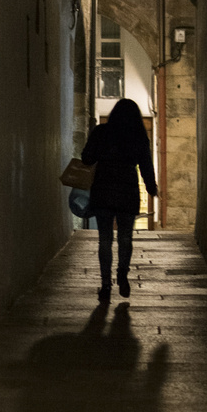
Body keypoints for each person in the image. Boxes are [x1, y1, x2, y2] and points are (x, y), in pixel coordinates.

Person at [81, 98, 158, 302]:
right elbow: (146, 165)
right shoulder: (138, 136)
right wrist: (151, 187)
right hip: (127, 191)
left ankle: (106, 284)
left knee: (105, 239)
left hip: (103, 190)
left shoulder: (101, 132)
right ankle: (122, 274)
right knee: (125, 238)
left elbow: (86, 158)